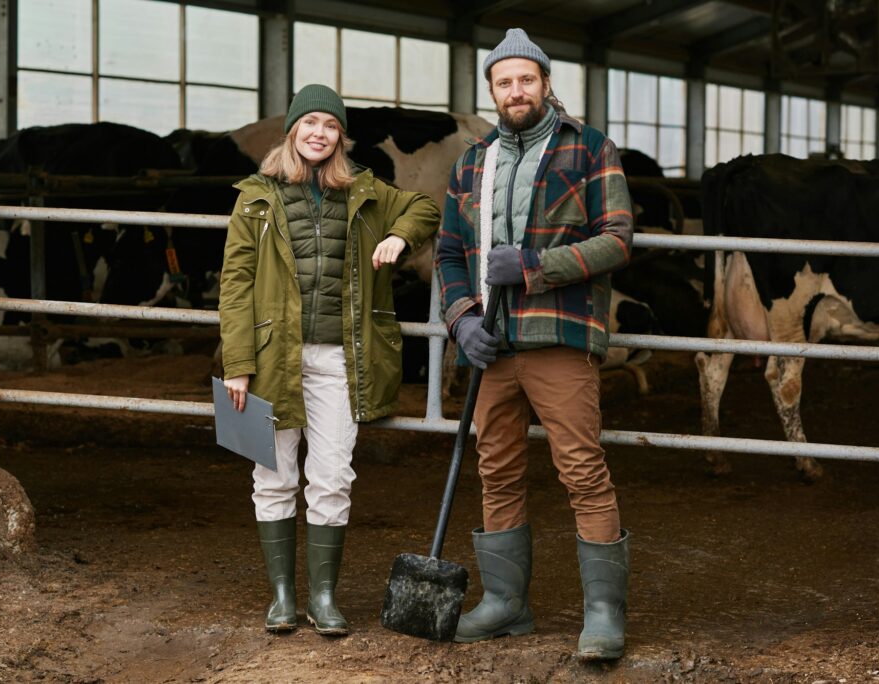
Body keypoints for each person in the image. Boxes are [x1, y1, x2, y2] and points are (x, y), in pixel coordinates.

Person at [435, 29, 634, 659]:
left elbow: (618, 240)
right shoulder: (473, 162)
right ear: (491, 91)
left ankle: (602, 614)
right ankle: (505, 603)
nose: (515, 91)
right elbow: (447, 252)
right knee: (497, 470)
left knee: (580, 468)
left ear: (545, 83)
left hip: (559, 335)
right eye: (503, 82)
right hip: (491, 343)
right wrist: (462, 316)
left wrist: (533, 266)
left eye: (526, 79)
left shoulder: (589, 149)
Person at [219, 84, 439, 636]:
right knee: (271, 474)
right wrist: (237, 363)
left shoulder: (364, 190)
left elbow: (426, 207)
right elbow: (236, 285)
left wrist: (397, 236)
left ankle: (322, 597)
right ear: (292, 129)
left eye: (331, 124)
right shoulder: (255, 196)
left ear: (341, 135)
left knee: (333, 474)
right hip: (271, 358)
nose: (320, 132)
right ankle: (282, 597)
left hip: (342, 358)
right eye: (310, 121)